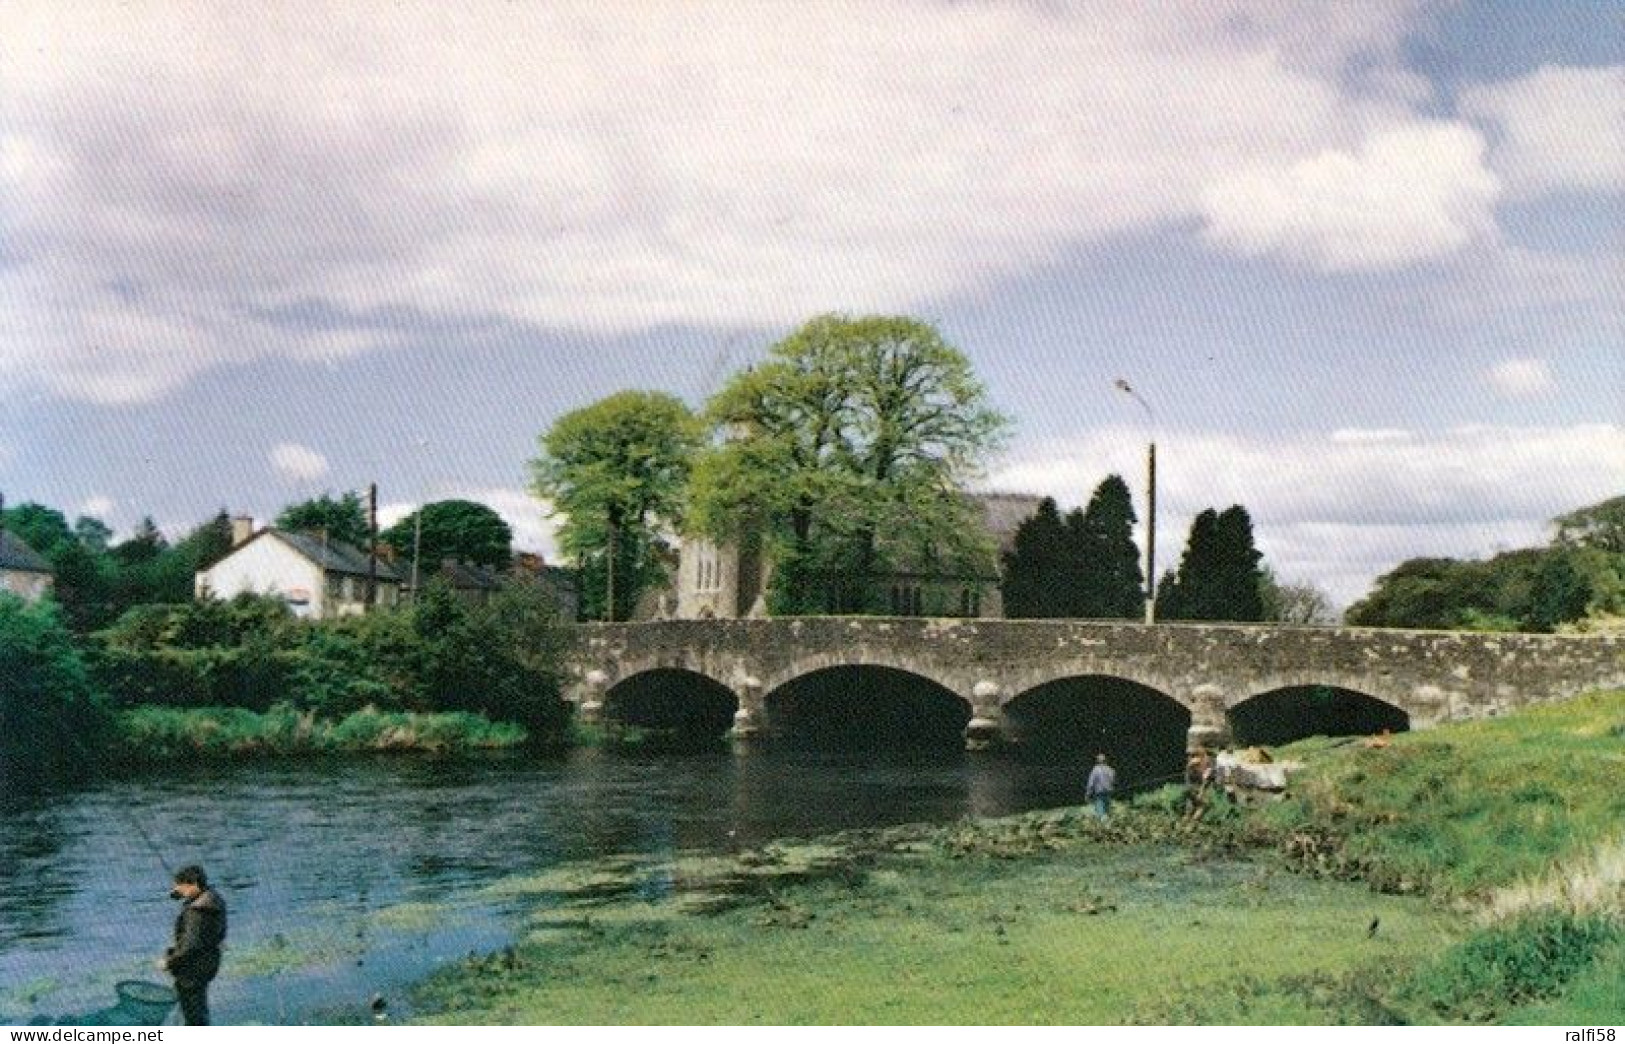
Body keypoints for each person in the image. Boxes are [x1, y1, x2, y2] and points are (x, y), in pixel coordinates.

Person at [161, 865, 228, 1026]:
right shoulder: (214, 900)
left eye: (181, 886)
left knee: (193, 1017)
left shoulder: (197, 912)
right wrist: (179, 893)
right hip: (207, 963)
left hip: (192, 970)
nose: (178, 890)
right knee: (199, 1012)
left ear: (194, 884)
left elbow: (190, 946)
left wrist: (169, 962)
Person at [1084, 753, 1117, 819]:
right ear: (1105, 761)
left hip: (1099, 791)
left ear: (1097, 761)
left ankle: (1103, 824)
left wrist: (1088, 793)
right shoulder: (1110, 770)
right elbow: (1113, 781)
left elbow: (1091, 782)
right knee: (1107, 808)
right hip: (1109, 791)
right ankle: (1108, 823)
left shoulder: (1096, 769)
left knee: (1100, 810)